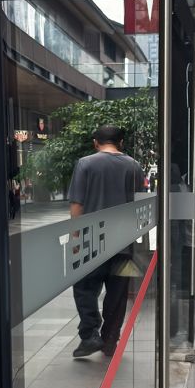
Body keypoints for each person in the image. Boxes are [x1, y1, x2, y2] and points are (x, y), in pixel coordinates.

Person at [68, 124, 141, 358]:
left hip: (91, 240)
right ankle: (110, 340)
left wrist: (75, 238)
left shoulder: (86, 163)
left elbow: (77, 204)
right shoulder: (134, 166)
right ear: (121, 142)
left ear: (95, 142)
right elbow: (140, 204)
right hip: (124, 243)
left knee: (84, 287)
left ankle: (90, 335)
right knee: (118, 293)